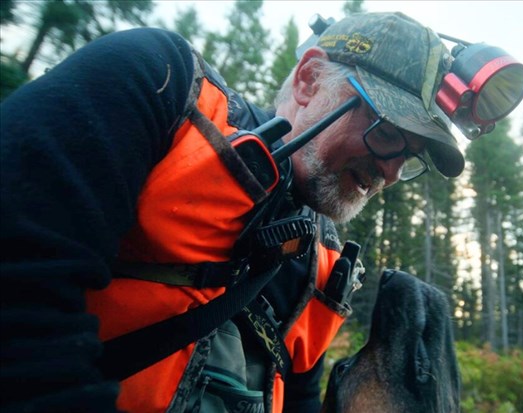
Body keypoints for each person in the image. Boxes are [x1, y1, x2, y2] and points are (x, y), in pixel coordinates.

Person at [1, 11, 470, 413]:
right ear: (309, 81)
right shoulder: (160, 86)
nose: (389, 173)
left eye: (408, 158)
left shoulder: (324, 262)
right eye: (387, 133)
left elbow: (299, 395)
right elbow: (20, 293)